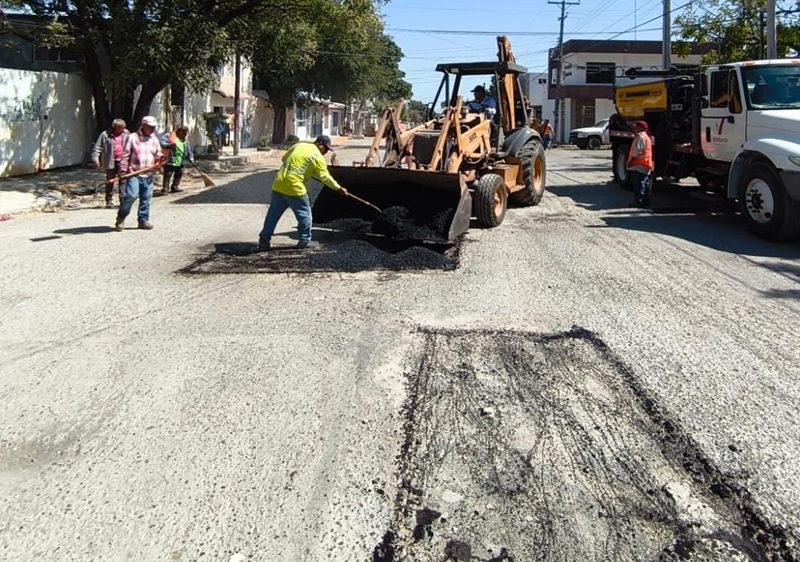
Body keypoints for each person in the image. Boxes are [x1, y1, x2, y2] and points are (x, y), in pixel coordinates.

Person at [258, 135, 349, 251]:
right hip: (295, 188)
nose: (326, 152)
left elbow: (284, 158)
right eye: (325, 148)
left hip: (279, 184)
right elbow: (324, 177)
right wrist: (338, 188)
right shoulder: (317, 156)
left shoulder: (299, 145)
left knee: (273, 215)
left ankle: (264, 241)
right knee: (305, 215)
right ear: (319, 144)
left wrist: (302, 169)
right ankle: (304, 241)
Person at [115, 116, 165, 231]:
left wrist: (161, 158)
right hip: (134, 173)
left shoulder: (154, 139)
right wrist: (122, 170)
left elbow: (158, 153)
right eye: (150, 127)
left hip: (148, 174)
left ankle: (143, 220)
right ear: (143, 126)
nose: (152, 129)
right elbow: (125, 155)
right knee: (131, 196)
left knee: (146, 198)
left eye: (154, 127)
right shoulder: (132, 137)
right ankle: (121, 218)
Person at [91, 119, 130, 208]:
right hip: (110, 161)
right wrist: (95, 159)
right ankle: (109, 200)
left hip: (123, 161)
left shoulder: (126, 133)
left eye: (123, 127)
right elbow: (97, 147)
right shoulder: (105, 135)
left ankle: (123, 200)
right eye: (121, 128)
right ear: (115, 127)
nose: (123, 129)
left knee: (123, 181)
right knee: (110, 181)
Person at [158, 125, 193, 196]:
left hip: (181, 160)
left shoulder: (185, 139)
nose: (185, 135)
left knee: (178, 174)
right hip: (170, 159)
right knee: (168, 175)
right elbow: (161, 142)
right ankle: (165, 189)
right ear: (179, 131)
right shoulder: (169, 135)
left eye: (186, 134)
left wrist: (191, 157)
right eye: (184, 133)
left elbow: (188, 149)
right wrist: (168, 145)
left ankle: (175, 187)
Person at [626, 120, 654, 208]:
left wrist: (630, 162)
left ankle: (639, 202)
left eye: (636, 127)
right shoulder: (647, 137)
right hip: (646, 164)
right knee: (645, 184)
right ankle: (645, 202)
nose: (634, 129)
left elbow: (637, 152)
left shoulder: (640, 137)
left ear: (639, 128)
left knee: (639, 184)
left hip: (639, 165)